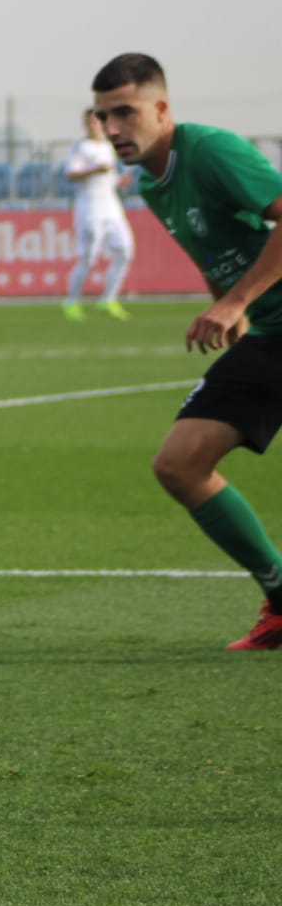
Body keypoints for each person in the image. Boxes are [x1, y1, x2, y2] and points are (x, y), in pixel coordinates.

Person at [92, 52, 282, 650]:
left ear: (162, 108)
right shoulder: (152, 184)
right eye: (103, 117)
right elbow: (214, 256)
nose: (113, 129)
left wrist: (235, 303)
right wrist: (230, 307)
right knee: (180, 465)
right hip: (271, 335)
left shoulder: (212, 151)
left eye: (125, 112)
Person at [62, 106, 136, 321]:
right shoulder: (81, 147)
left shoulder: (108, 146)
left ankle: (109, 299)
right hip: (89, 207)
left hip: (111, 206)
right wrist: (95, 170)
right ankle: (71, 301)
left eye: (98, 122)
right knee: (88, 256)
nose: (96, 126)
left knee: (125, 250)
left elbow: (109, 176)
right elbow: (70, 174)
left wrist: (118, 181)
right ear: (85, 124)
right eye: (91, 122)